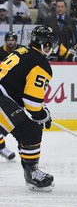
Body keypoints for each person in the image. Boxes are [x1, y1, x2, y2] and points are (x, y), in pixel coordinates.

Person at [0, 25, 58, 191]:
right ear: (45, 45)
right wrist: (42, 114)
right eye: (50, 44)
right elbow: (32, 104)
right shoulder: (41, 63)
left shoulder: (22, 51)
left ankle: (31, 170)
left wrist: (41, 111)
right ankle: (31, 172)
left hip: (4, 98)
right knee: (31, 127)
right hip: (2, 99)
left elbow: (21, 90)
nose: (51, 48)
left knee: (28, 127)